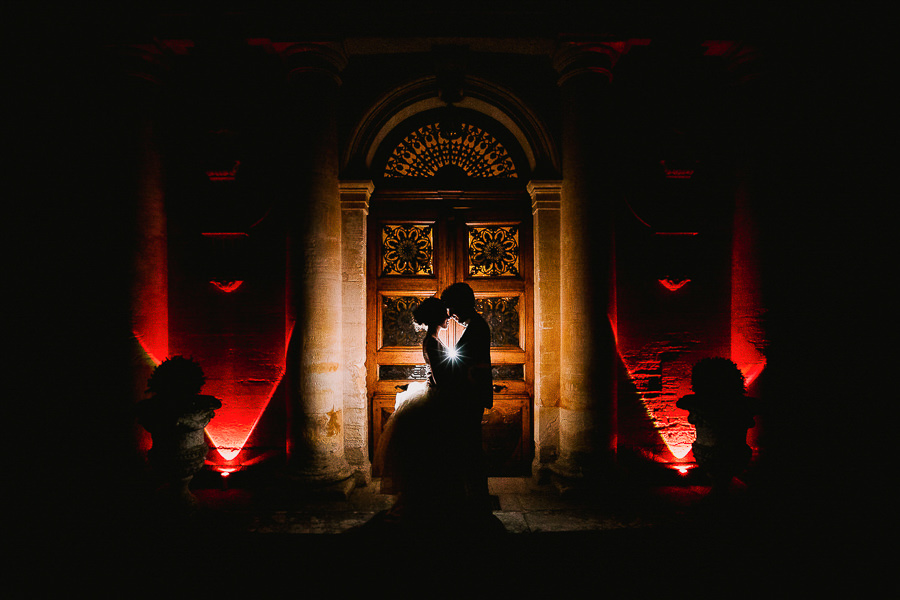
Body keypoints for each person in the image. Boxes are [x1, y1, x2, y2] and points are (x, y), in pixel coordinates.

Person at [373, 296, 465, 527]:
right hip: (436, 399)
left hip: (433, 395)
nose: (448, 317)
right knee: (433, 454)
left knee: (432, 455)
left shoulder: (433, 339)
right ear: (436, 317)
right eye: (444, 314)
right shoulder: (432, 342)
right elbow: (439, 377)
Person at [440, 282, 494, 518]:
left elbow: (467, 363)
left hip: (470, 398)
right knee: (469, 447)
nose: (451, 314)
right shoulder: (476, 326)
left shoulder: (477, 328)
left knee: (470, 448)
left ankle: (478, 500)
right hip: (471, 396)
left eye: (452, 308)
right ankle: (474, 497)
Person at [676, 357, 760, 500]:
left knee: (718, 473)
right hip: (735, 451)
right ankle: (722, 495)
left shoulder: (698, 403)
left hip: (707, 452)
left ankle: (718, 495)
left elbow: (682, 403)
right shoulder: (742, 404)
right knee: (725, 471)